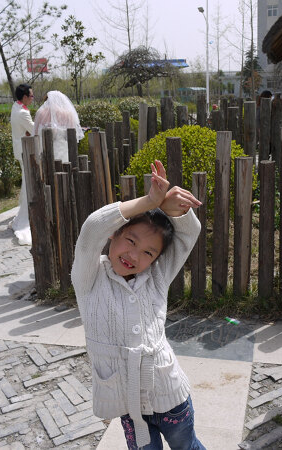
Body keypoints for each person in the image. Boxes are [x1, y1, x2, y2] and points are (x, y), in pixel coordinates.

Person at [71, 160, 206, 450]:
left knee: (188, 447)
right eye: (130, 240)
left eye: (148, 252)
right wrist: (148, 202)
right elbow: (92, 229)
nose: (134, 255)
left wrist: (172, 211)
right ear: (115, 234)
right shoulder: (89, 278)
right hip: (129, 405)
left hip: (171, 398)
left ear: (157, 259)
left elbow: (188, 234)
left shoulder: (156, 276)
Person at [10, 84, 35, 246]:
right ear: (25, 97)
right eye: (31, 96)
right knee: (28, 182)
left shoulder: (15, 107)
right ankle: (27, 213)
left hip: (19, 148)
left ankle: (27, 211)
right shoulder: (23, 113)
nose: (33, 98)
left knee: (26, 182)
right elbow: (34, 130)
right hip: (24, 151)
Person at [34, 90, 84, 163]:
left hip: (44, 153)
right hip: (62, 152)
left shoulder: (40, 113)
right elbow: (73, 136)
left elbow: (35, 134)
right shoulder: (68, 115)